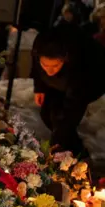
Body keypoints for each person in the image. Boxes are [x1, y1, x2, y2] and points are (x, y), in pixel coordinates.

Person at [32, 24, 105, 156]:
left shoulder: (80, 67)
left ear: (65, 60)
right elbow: (36, 68)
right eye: (45, 65)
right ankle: (76, 149)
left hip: (90, 83)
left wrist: (54, 146)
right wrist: (39, 88)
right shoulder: (40, 46)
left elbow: (71, 110)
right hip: (59, 83)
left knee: (63, 121)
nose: (49, 70)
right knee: (46, 113)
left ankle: (75, 155)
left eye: (54, 65)